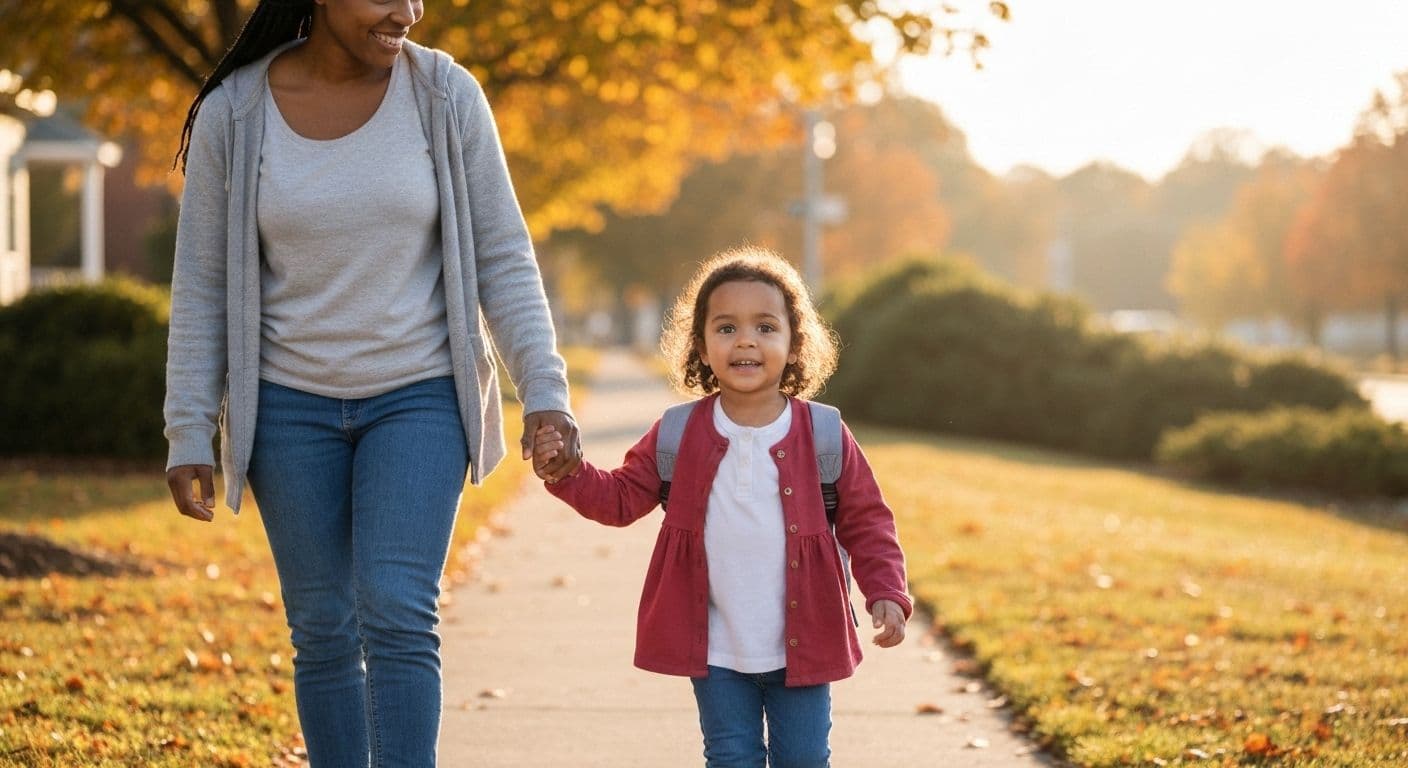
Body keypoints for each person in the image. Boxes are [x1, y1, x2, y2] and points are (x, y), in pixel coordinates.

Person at [161, 1, 581, 765]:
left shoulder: (444, 94)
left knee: (395, 608)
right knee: (321, 626)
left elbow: (503, 256)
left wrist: (544, 393)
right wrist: (189, 425)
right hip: (288, 407)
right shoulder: (236, 111)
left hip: (418, 395)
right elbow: (201, 285)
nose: (409, 11)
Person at [531, 247, 911, 767]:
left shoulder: (823, 432)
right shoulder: (678, 432)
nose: (746, 340)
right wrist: (567, 472)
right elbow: (619, 499)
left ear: (795, 345)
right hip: (715, 648)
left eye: (765, 327)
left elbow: (867, 520)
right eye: (727, 327)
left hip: (806, 642)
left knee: (803, 759)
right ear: (702, 347)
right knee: (731, 758)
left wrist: (886, 589)